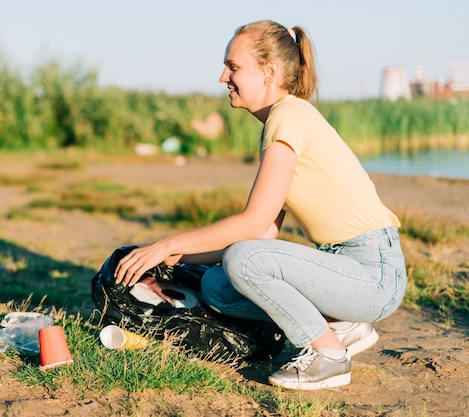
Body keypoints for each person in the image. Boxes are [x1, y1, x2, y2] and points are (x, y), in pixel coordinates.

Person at [114, 19, 407, 390]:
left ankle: (330, 355)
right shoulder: (283, 119)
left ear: (268, 72)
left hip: (372, 273)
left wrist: (168, 244)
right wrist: (177, 257)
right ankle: (338, 325)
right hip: (347, 267)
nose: (223, 77)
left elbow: (253, 226)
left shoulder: (288, 117)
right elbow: (264, 235)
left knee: (242, 260)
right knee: (219, 286)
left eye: (233, 67)